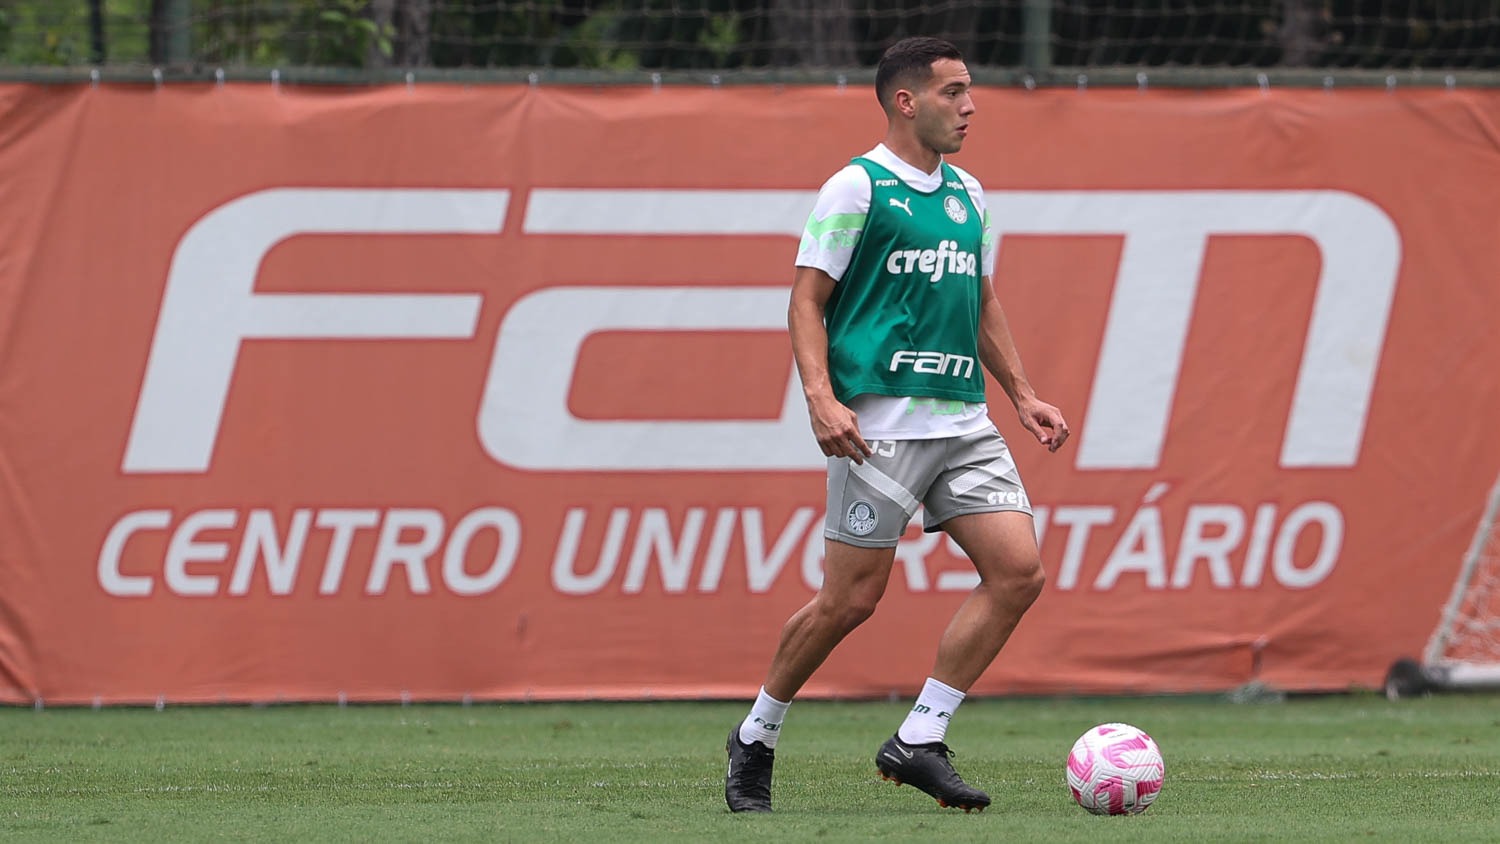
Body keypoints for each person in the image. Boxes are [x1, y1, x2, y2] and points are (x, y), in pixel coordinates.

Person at [724, 36, 1069, 814]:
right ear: (906, 102)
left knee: (1018, 573)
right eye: (953, 92)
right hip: (879, 425)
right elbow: (806, 300)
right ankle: (756, 734)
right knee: (849, 601)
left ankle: (920, 738)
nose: (970, 106)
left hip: (964, 420)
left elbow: (981, 300)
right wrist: (820, 397)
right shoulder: (858, 187)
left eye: (970, 91)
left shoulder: (969, 194)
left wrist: (1022, 394)